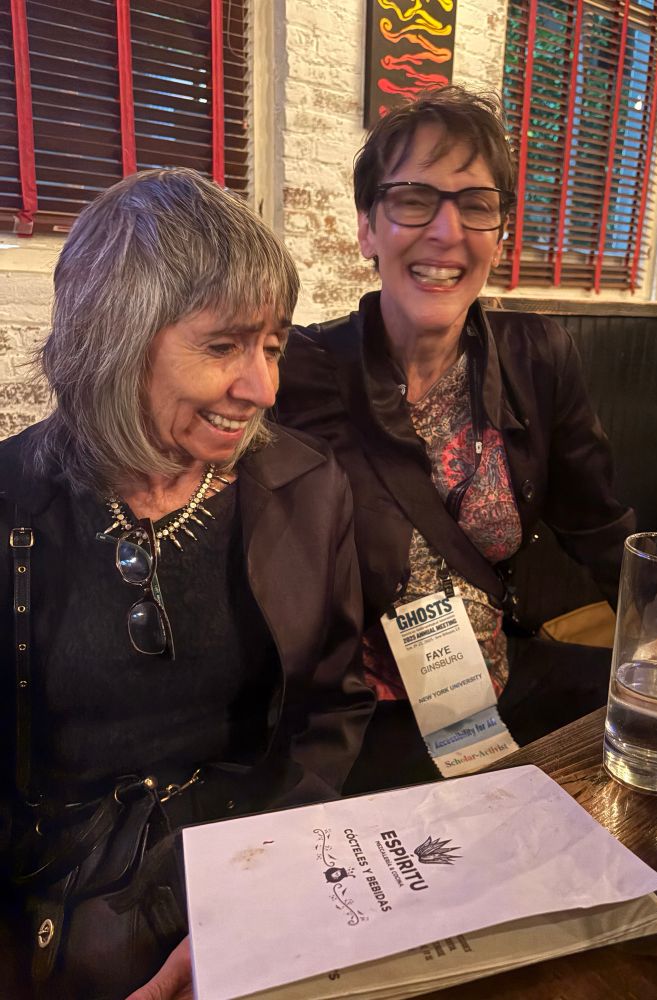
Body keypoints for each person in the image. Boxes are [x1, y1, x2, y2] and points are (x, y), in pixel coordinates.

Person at [0, 168, 373, 999]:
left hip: (262, 854)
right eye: (223, 346)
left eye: (272, 345)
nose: (263, 387)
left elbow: (331, 706)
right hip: (68, 889)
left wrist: (259, 896)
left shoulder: (308, 488)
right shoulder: (11, 499)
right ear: (114, 337)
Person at [276, 86, 635, 791]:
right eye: (413, 199)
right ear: (366, 228)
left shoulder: (539, 357)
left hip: (494, 690)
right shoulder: (296, 373)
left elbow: (601, 528)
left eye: (476, 205)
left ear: (499, 234)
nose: (447, 232)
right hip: (357, 724)